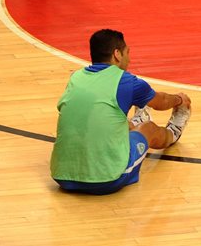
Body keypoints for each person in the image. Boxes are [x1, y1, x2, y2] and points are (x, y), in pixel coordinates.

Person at [50, 29, 191, 195]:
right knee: (149, 128)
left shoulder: (76, 77)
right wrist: (180, 100)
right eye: (127, 52)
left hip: (62, 176)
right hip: (108, 178)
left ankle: (135, 123)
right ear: (117, 54)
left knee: (105, 119)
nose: (129, 58)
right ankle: (173, 132)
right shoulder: (126, 81)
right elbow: (162, 102)